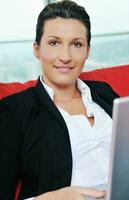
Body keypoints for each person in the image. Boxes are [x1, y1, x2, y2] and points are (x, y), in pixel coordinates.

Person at [0, 0, 119, 199]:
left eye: (76, 44)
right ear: (37, 49)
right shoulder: (14, 110)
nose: (65, 56)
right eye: (54, 43)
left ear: (87, 51)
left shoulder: (104, 93)